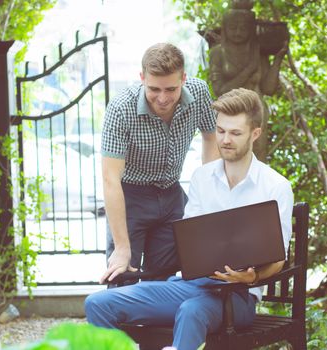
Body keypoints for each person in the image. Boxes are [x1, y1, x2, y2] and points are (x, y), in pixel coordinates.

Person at [85, 88, 294, 350]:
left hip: (238, 297)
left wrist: (250, 278)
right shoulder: (202, 178)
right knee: (98, 304)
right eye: (220, 131)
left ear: (255, 133)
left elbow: (278, 259)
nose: (225, 140)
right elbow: (190, 242)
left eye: (235, 133)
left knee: (191, 310)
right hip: (190, 285)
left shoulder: (276, 187)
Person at [100, 42, 219, 284]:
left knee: (162, 281)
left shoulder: (199, 93)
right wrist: (122, 248)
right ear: (142, 77)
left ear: (184, 78)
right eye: (154, 89)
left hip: (172, 195)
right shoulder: (121, 108)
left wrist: (209, 188)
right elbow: (110, 179)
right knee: (123, 279)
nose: (163, 98)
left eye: (171, 89)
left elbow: (211, 135)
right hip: (131, 198)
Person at [208, 0, 287, 159]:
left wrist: (278, 59)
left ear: (251, 29)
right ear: (225, 28)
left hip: (256, 113)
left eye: (243, 28)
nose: (238, 32)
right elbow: (220, 91)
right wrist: (249, 70)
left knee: (256, 159)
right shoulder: (218, 53)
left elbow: (268, 88)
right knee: (228, 158)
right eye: (233, 27)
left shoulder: (258, 52)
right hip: (228, 113)